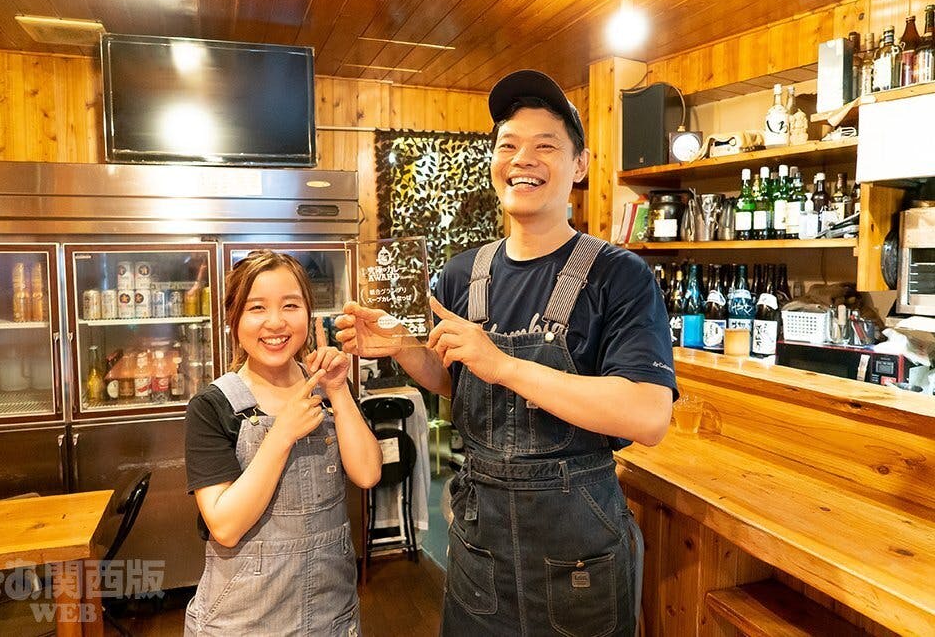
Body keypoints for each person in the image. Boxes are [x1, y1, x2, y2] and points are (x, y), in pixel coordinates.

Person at [336, 69, 677, 636]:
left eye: (546, 146)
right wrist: (404, 348)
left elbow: (647, 414)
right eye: (508, 145)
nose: (523, 159)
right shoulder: (461, 273)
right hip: (480, 550)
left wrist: (505, 364)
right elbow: (455, 381)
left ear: (580, 165)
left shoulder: (619, 276)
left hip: (581, 561)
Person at [184, 250, 382, 636]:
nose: (275, 322)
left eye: (290, 305)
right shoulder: (212, 406)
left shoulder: (329, 387)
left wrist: (338, 390)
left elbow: (368, 473)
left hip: (331, 615)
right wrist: (282, 434)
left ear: (308, 312)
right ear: (234, 318)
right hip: (243, 622)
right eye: (257, 308)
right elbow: (225, 526)